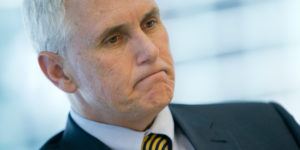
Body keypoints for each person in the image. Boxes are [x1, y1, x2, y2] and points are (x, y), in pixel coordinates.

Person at [22, 0, 300, 150]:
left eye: (150, 23)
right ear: (59, 72)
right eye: (114, 39)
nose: (151, 51)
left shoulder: (271, 127)